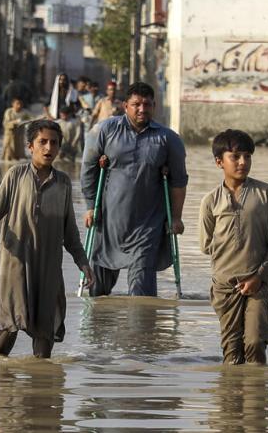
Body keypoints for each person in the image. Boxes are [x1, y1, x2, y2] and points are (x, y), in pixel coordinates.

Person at [0, 119, 95, 358]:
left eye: (54, 143)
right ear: (30, 146)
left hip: (49, 268)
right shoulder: (16, 176)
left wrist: (83, 262)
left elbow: (70, 232)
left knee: (45, 333)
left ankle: (42, 389)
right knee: (10, 327)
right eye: (42, 142)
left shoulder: (62, 183)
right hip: (16, 264)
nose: (48, 148)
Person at [80, 82, 187, 297]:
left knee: (142, 299)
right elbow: (88, 169)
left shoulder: (168, 139)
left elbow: (178, 182)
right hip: (108, 222)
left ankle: (141, 333)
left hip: (147, 227)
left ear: (153, 106)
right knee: (96, 294)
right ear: (124, 106)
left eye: (147, 104)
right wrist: (91, 206)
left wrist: (176, 217)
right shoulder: (105, 130)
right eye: (136, 104)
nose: (141, 109)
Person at [198, 129, 268, 365]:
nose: (242, 162)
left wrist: (260, 274)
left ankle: (256, 399)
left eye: (247, 156)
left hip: (259, 282)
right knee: (232, 354)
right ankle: (231, 399)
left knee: (255, 344)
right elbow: (206, 244)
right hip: (226, 288)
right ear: (219, 162)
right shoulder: (211, 201)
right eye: (235, 156)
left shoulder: (265, 193)